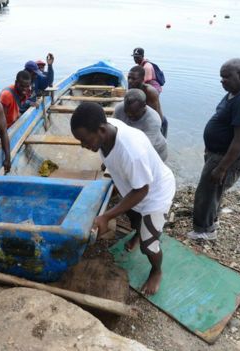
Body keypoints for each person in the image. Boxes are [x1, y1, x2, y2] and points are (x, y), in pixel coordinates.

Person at [70, 102, 175, 296]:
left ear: (101, 130)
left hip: (155, 195)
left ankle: (156, 270)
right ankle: (137, 231)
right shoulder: (105, 130)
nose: (83, 146)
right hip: (134, 188)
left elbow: (142, 191)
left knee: (148, 245)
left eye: (85, 140)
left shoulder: (132, 152)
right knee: (135, 219)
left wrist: (106, 216)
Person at [188, 58, 240, 240]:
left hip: (226, 158)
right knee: (213, 191)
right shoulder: (233, 93)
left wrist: (222, 168)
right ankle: (211, 221)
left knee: (206, 192)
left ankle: (205, 231)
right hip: (216, 153)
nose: (222, 81)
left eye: (227, 77)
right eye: (221, 77)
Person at [113, 89, 167, 161]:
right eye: (126, 111)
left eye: (134, 113)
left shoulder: (153, 120)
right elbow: (114, 132)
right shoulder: (119, 109)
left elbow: (144, 149)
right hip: (132, 145)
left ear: (144, 106)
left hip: (155, 152)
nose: (129, 115)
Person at [128, 65, 168, 138]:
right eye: (129, 78)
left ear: (142, 79)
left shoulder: (150, 92)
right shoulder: (131, 88)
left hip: (159, 123)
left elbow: (153, 118)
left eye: (134, 79)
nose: (130, 81)